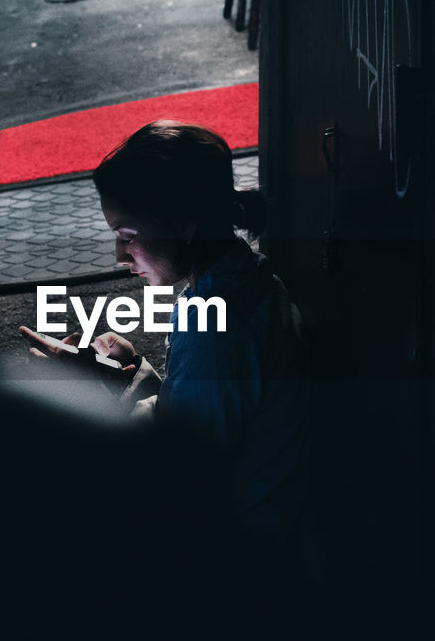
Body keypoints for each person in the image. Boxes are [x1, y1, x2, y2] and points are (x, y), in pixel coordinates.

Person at [22, 121, 312, 553]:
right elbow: (202, 415)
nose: (120, 256)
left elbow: (179, 474)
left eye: (127, 236)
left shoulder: (214, 331)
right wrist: (129, 373)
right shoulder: (249, 279)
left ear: (185, 224)